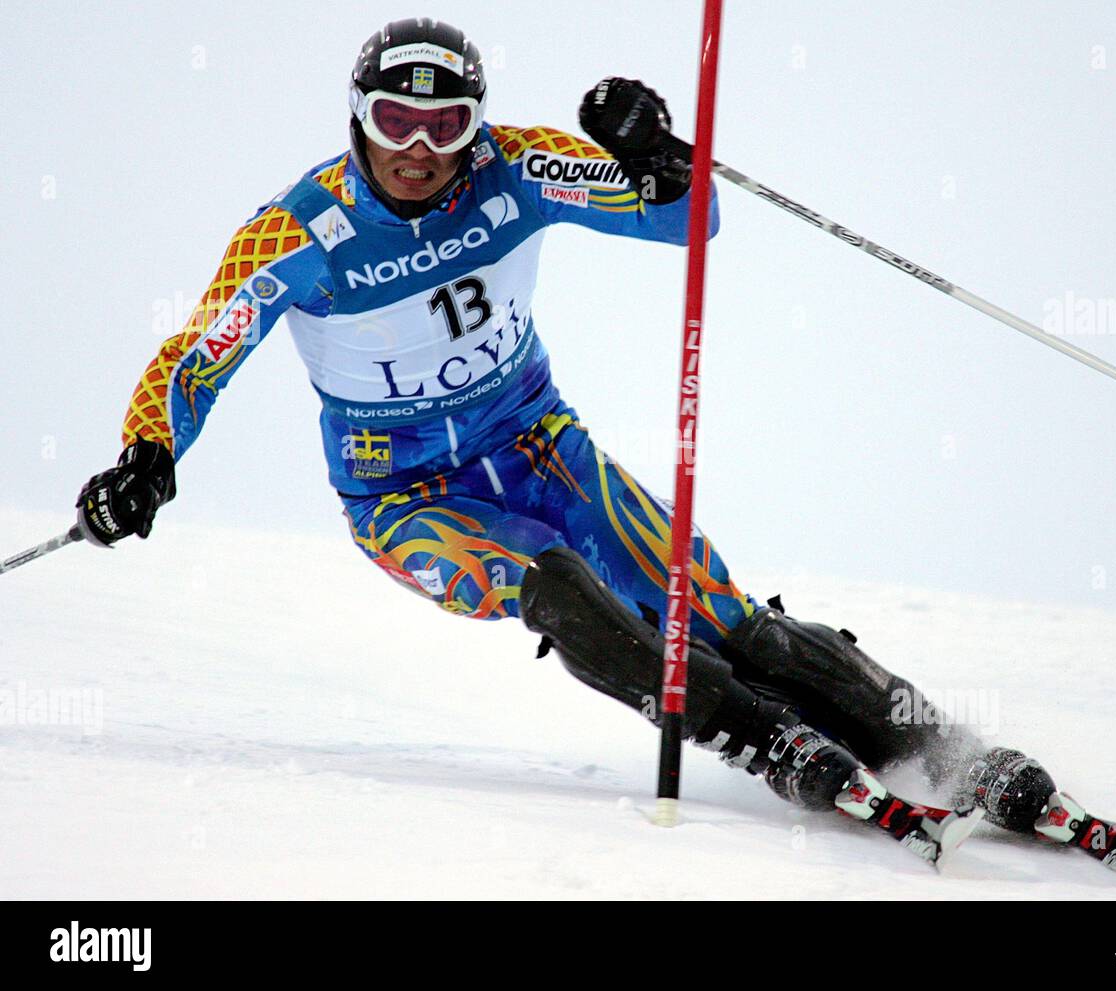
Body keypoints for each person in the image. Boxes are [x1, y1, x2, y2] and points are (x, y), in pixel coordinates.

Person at [75, 17, 1056, 836]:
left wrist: (656, 156)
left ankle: (936, 741)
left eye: (446, 124)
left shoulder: (519, 166)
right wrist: (145, 458)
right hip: (403, 492)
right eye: (395, 121)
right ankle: (761, 737)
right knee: (558, 588)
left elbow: (688, 221)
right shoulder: (296, 233)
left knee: (714, 613)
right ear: (355, 118)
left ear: (476, 125)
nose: (419, 149)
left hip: (541, 445)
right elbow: (194, 359)